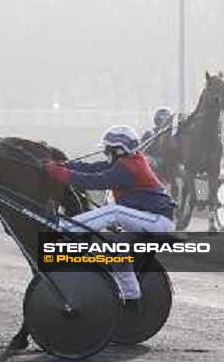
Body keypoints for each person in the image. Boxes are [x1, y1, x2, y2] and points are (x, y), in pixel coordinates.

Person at [44, 125, 175, 302]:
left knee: (114, 211)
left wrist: (56, 172)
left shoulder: (128, 169)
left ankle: (65, 227)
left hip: (158, 220)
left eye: (107, 149)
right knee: (117, 254)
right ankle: (132, 296)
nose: (105, 153)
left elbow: (92, 181)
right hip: (144, 220)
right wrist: (62, 166)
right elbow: (89, 168)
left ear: (118, 150)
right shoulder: (125, 162)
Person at [140, 106, 173, 178]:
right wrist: (150, 159)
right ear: (157, 121)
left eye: (167, 120)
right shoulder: (150, 133)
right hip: (156, 160)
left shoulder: (174, 134)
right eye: (161, 119)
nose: (164, 122)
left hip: (171, 162)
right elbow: (141, 152)